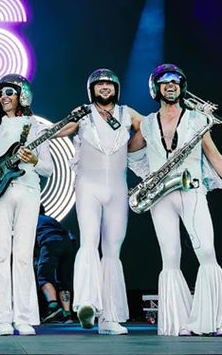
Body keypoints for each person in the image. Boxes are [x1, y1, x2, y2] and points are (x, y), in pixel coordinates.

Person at [128, 64, 222, 336]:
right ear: (155, 88)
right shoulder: (147, 123)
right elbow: (130, 153)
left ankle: (213, 321)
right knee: (170, 258)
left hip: (191, 189)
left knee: (207, 252)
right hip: (161, 196)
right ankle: (179, 323)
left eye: (176, 81)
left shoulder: (198, 119)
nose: (171, 85)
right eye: (165, 81)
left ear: (182, 87)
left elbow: (214, 155)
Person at [57, 69, 143, 334]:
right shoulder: (83, 112)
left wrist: (131, 147)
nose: (104, 87)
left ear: (116, 88)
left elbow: (151, 127)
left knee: (113, 252)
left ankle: (109, 318)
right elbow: (60, 130)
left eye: (109, 84)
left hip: (117, 188)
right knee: (89, 241)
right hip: (88, 186)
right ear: (91, 89)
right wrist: (45, 131)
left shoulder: (127, 113)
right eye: (99, 84)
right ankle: (86, 303)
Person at [0, 74, 53, 336]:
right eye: (0, 93)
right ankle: (1, 318)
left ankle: (24, 317)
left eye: (9, 92)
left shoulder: (35, 127)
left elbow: (48, 168)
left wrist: (33, 160)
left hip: (28, 191)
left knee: (24, 255)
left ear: (22, 95)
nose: (3, 97)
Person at [35, 207, 76, 324]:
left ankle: (54, 307)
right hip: (69, 242)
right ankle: (67, 315)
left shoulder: (33, 219)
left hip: (50, 241)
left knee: (43, 275)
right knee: (63, 279)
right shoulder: (50, 219)